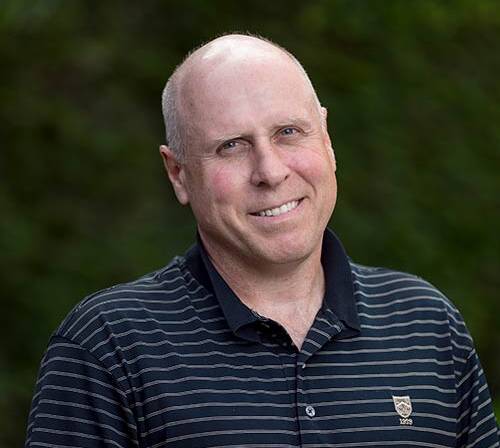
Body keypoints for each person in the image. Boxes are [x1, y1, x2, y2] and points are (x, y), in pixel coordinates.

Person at [25, 34, 498, 448]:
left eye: (289, 133)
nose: (270, 172)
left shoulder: (427, 324)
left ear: (328, 141)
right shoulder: (108, 346)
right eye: (231, 145)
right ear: (178, 173)